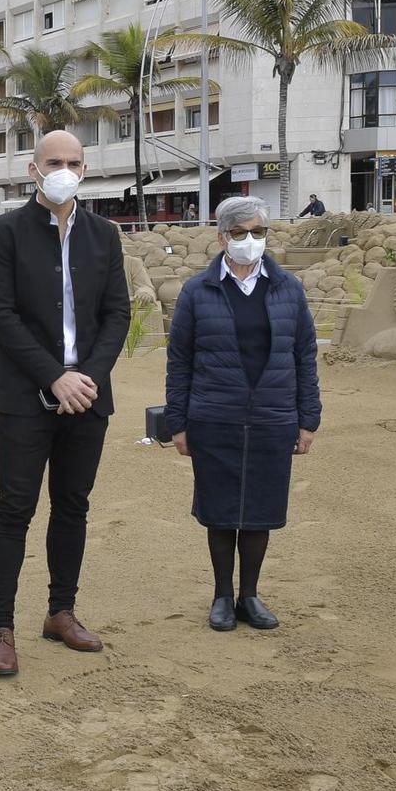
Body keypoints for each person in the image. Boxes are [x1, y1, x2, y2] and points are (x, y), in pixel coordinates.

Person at [0, 130, 130, 676]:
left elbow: (117, 315)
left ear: (85, 169)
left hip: (88, 398)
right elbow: (2, 314)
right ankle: (1, 627)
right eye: (54, 162)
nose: (65, 169)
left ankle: (61, 611)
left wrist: (85, 378)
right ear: (33, 169)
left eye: (75, 161)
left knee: (73, 506)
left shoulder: (104, 235)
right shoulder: (6, 232)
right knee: (13, 509)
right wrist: (53, 377)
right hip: (24, 397)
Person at [164, 196, 322, 633]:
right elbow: (179, 359)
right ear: (221, 237)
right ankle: (221, 596)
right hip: (215, 414)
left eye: (257, 232)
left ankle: (249, 595)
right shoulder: (199, 290)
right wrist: (177, 422)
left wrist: (308, 418)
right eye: (239, 233)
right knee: (220, 510)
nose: (249, 241)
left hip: (274, 415)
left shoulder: (287, 287)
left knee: (259, 510)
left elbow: (305, 354)